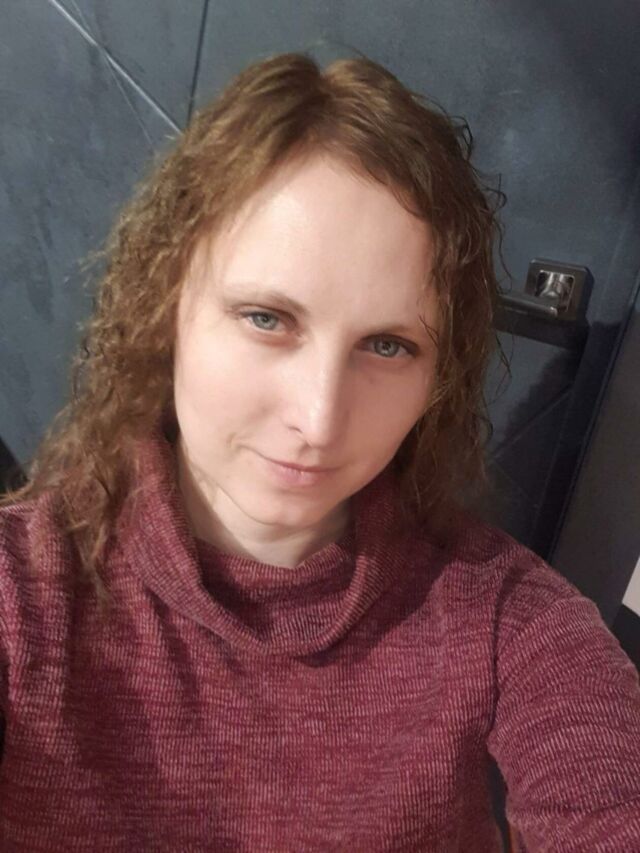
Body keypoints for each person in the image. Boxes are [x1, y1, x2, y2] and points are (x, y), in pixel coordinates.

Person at [0, 50, 639, 853]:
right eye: (267, 318)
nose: (320, 417)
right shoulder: (23, 595)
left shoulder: (507, 617)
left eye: (387, 344)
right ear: (168, 306)